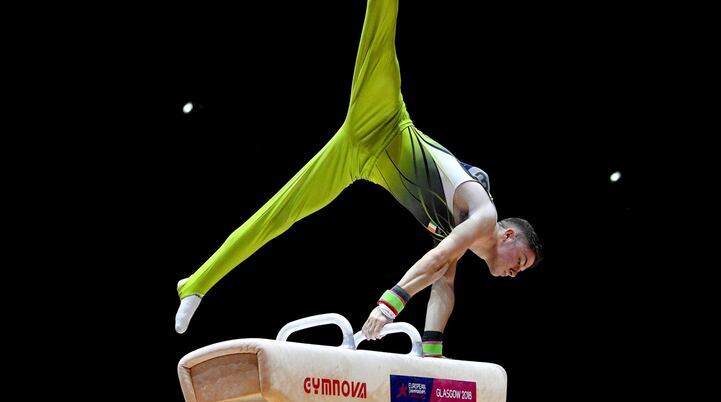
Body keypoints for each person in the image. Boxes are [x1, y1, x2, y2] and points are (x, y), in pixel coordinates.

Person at [176, 0, 542, 352]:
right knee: (382, 18)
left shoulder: (459, 233)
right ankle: (199, 284)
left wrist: (431, 353)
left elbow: (443, 283)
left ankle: (195, 283)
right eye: (520, 261)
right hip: (385, 119)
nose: (515, 272)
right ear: (508, 235)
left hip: (357, 159)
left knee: (282, 212)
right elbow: (437, 260)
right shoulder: (484, 215)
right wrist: (389, 304)